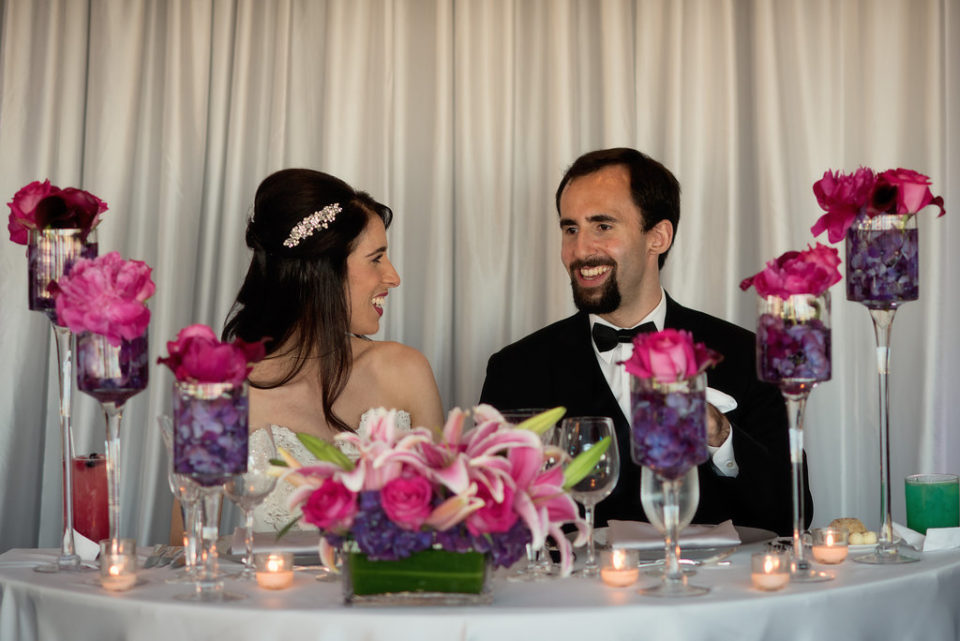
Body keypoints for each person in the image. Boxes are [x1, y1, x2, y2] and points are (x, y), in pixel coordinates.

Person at [479, 148, 811, 536]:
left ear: (658, 237)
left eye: (603, 226)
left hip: (711, 594)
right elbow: (492, 522)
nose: (580, 250)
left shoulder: (747, 354)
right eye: (571, 229)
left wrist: (720, 435)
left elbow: (794, 514)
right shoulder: (515, 369)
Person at [222, 168, 444, 532]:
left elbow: (447, 523)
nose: (394, 277)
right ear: (320, 269)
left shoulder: (406, 371)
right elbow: (188, 548)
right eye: (376, 258)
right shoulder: (228, 395)